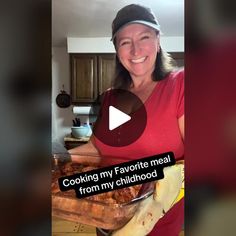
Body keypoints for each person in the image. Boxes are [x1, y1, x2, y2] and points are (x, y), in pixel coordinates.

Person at [69, 4, 184, 236]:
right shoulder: (112, 97)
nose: (135, 50)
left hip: (153, 227)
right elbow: (97, 149)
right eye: (124, 42)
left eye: (144, 37)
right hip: (105, 218)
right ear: (117, 50)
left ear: (158, 40)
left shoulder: (181, 85)